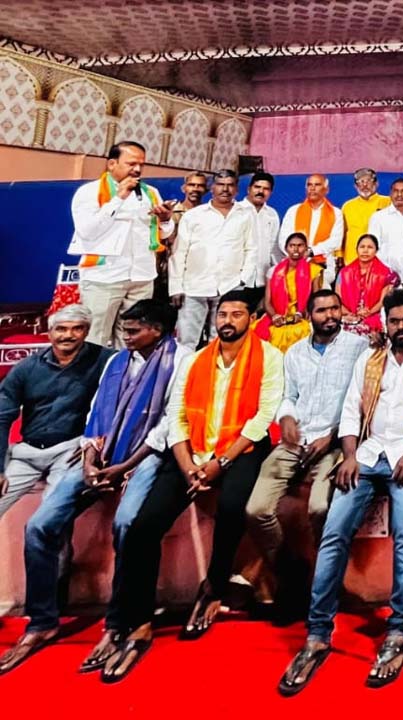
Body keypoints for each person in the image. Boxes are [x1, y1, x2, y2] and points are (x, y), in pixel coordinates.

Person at [278, 290, 403, 693]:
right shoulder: (371, 356)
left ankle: (398, 630)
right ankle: (317, 634)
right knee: (333, 533)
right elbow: (351, 409)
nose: (401, 327)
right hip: (369, 453)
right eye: (394, 321)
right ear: (385, 323)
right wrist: (350, 455)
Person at [104, 290, 283, 682]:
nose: (227, 321)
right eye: (223, 314)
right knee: (143, 526)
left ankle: (214, 586)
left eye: (237, 314)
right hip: (191, 451)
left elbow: (262, 417)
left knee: (233, 507)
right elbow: (177, 415)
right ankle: (137, 620)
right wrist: (187, 465)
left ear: (252, 319)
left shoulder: (269, 357)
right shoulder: (196, 359)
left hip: (239, 449)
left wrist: (220, 464)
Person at [0, 301, 183, 675]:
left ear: (157, 330)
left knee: (126, 525)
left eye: (134, 330)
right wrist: (89, 459)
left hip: (145, 456)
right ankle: (42, 621)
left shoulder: (181, 360)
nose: (126, 336)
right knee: (39, 526)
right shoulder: (116, 362)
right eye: (125, 329)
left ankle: (117, 624)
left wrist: (124, 467)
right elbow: (96, 414)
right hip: (98, 453)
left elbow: (169, 422)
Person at [245, 289, 368, 619]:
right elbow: (288, 396)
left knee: (320, 508)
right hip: (296, 441)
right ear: (308, 315)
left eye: (334, 309)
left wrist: (331, 437)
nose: (330, 315)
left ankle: (328, 581)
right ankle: (291, 574)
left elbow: (362, 402)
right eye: (321, 310)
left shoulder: (358, 349)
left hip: (336, 443)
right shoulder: (295, 352)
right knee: (256, 510)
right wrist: (286, 417)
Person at [0, 305, 111, 520]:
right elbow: (2, 417)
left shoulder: (107, 360)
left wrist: (94, 446)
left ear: (87, 331)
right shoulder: (27, 367)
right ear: (49, 333)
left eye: (77, 328)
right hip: (27, 453)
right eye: (61, 329)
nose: (68, 335)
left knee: (49, 518)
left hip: (70, 451)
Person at [67, 141, 175, 349]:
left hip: (142, 276)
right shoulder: (89, 192)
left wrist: (165, 220)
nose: (137, 169)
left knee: (134, 339)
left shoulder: (150, 192)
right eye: (131, 163)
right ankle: (97, 372)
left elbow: (163, 234)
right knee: (95, 338)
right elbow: (87, 231)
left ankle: (124, 370)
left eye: (141, 164)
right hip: (104, 276)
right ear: (111, 164)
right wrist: (118, 198)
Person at [169, 169, 256, 349]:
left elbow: (251, 248)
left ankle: (216, 368)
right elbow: (179, 252)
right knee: (187, 341)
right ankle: (186, 368)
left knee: (222, 338)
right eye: (220, 184)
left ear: (236, 189)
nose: (225, 189)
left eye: (230, 185)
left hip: (230, 285)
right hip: (193, 286)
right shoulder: (194, 215)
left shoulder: (246, 214)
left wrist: (243, 281)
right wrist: (176, 287)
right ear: (212, 188)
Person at [254, 232, 321, 352]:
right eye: (292, 245)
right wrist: (275, 316)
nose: (296, 249)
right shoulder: (273, 271)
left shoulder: (313, 270)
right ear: (286, 248)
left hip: (303, 316)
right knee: (259, 333)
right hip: (277, 314)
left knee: (300, 332)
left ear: (306, 248)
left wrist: (301, 313)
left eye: (300, 245)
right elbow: (267, 302)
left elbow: (317, 300)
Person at [280, 174, 345, 284]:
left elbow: (335, 241)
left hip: (323, 266)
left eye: (317, 185)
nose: (312, 188)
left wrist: (311, 252)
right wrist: (298, 254)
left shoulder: (335, 213)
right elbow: (283, 239)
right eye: (309, 185)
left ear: (326, 190)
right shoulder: (293, 211)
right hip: (294, 264)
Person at [239, 172, 282, 309]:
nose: (261, 191)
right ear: (249, 189)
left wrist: (278, 274)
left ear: (270, 193)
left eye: (266, 189)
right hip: (239, 280)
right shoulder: (236, 211)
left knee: (257, 318)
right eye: (257, 187)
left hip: (263, 280)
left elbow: (274, 247)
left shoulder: (272, 214)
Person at [340, 168, 391, 268]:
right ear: (355, 186)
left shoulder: (388, 202)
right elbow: (341, 234)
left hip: (381, 260)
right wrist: (339, 256)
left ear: (376, 184)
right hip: (352, 260)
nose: (364, 185)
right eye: (361, 182)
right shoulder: (348, 206)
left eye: (368, 181)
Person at [367, 177, 403, 281]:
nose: (399, 195)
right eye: (396, 191)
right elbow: (372, 247)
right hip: (386, 276)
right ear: (390, 194)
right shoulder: (378, 217)